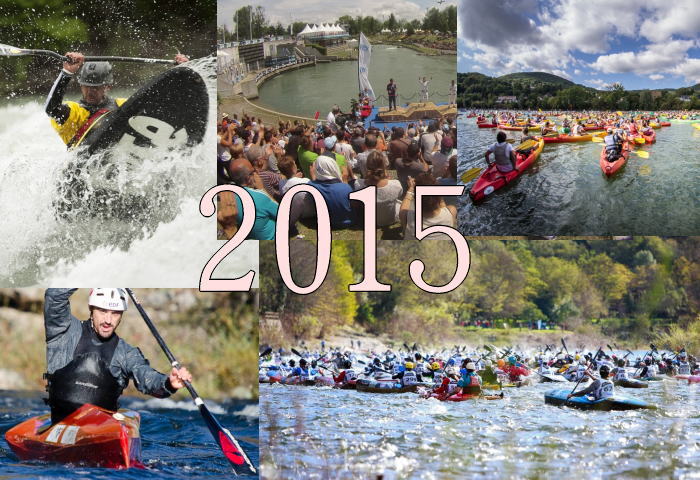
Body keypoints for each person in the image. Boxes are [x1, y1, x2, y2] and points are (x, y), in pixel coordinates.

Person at [44, 288, 192, 424]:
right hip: (59, 424)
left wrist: (168, 384)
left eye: (115, 313)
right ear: (91, 308)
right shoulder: (64, 331)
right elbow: (54, 296)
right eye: (102, 311)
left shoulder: (126, 353)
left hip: (101, 430)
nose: (108, 320)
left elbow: (146, 376)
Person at [45, 51, 188, 147]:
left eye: (96, 87)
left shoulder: (122, 105)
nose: (90, 91)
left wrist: (179, 74)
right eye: (87, 86)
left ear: (108, 87)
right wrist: (67, 73)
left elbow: (161, 110)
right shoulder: (75, 112)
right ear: (81, 85)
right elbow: (51, 109)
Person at [228, 157, 278, 240]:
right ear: (248, 178)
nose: (256, 172)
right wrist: (263, 190)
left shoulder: (231, 196)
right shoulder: (259, 197)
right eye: (253, 171)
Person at [351, 151, 403, 227]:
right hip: (391, 218)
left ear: (367, 166)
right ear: (384, 166)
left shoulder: (358, 185)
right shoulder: (396, 185)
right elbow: (400, 194)